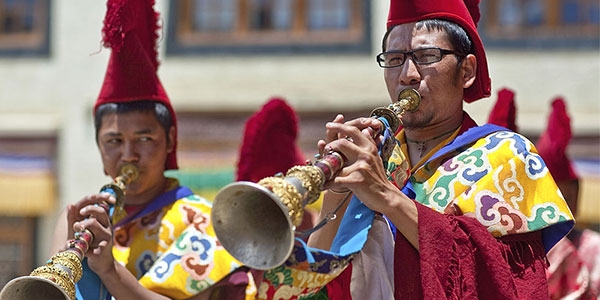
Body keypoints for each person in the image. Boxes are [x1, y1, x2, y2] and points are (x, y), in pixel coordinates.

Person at [252, 0, 575, 299]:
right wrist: (336, 196)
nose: (407, 75)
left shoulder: (506, 154)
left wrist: (388, 197)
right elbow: (311, 287)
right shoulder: (375, 155)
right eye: (394, 60)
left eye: (426, 57)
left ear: (467, 71)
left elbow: (507, 283)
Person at [49, 0, 256, 299]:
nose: (129, 155)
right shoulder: (79, 219)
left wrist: (109, 270)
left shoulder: (204, 220)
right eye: (114, 141)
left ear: (170, 141)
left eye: (144, 139)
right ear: (98, 146)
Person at [538, 97, 600, 299]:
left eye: (569, 197)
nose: (565, 207)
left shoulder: (594, 247)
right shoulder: (525, 249)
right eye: (556, 199)